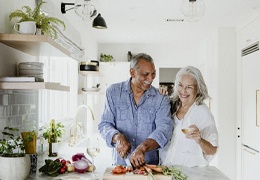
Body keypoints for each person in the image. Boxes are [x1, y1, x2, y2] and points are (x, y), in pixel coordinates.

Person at [98, 53, 173, 167]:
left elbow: (164, 129)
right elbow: (104, 124)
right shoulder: (113, 92)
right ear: (132, 72)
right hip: (120, 166)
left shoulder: (161, 98)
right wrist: (118, 137)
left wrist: (143, 147)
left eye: (153, 74)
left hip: (149, 167)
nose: (150, 78)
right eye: (145, 74)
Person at [159, 66, 218, 167]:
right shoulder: (171, 105)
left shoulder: (203, 113)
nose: (183, 91)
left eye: (189, 87)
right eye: (180, 85)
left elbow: (212, 150)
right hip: (165, 169)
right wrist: (158, 97)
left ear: (198, 89)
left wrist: (200, 140)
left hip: (189, 173)